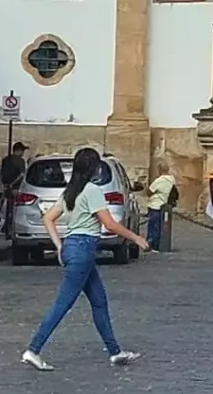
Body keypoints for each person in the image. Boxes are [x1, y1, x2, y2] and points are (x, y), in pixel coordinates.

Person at [21, 147, 150, 372]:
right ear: (94, 168)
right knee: (63, 304)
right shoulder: (92, 191)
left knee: (99, 301)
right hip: (83, 249)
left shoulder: (71, 191)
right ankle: (33, 349)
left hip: (75, 248)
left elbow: (48, 218)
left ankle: (115, 351)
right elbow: (109, 223)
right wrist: (135, 237)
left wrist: (60, 246)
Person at [145, 161, 177, 249]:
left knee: (153, 226)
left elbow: (149, 192)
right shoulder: (172, 180)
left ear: (159, 170)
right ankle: (159, 243)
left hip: (155, 205)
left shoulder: (159, 181)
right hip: (165, 205)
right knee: (161, 226)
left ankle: (151, 243)